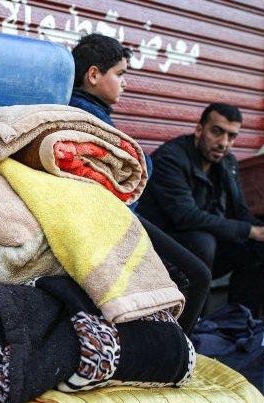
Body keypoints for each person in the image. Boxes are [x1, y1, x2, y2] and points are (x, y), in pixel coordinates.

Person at [68, 33, 210, 334]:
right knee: (195, 274)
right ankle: (177, 354)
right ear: (93, 75)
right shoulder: (88, 117)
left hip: (115, 219)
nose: (125, 83)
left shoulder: (87, 112)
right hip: (113, 222)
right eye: (120, 75)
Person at [137, 103, 264, 318]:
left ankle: (238, 323)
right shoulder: (171, 158)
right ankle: (195, 326)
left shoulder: (227, 163)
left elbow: (240, 213)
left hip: (202, 251)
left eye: (231, 136)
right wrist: (255, 231)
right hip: (158, 251)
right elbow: (186, 217)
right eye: (217, 132)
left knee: (259, 247)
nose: (223, 143)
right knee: (203, 241)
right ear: (199, 129)